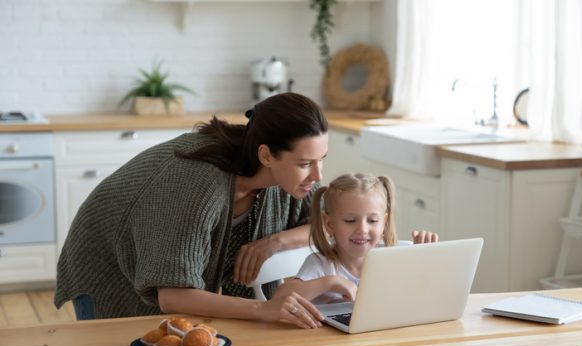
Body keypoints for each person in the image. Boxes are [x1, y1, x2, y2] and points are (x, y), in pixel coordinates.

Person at [54, 92, 327, 329]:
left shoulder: (289, 180)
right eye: (305, 163)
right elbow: (173, 296)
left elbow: (329, 222)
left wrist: (274, 242)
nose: (317, 174)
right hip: (107, 265)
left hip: (159, 264)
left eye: (321, 160)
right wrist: (264, 309)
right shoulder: (196, 185)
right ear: (266, 156)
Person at [273, 173, 439, 304]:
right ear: (330, 224)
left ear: (384, 223)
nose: (362, 229)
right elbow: (279, 298)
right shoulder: (321, 264)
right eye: (350, 221)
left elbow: (423, 295)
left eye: (373, 221)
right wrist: (329, 283)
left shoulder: (392, 258)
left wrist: (423, 259)